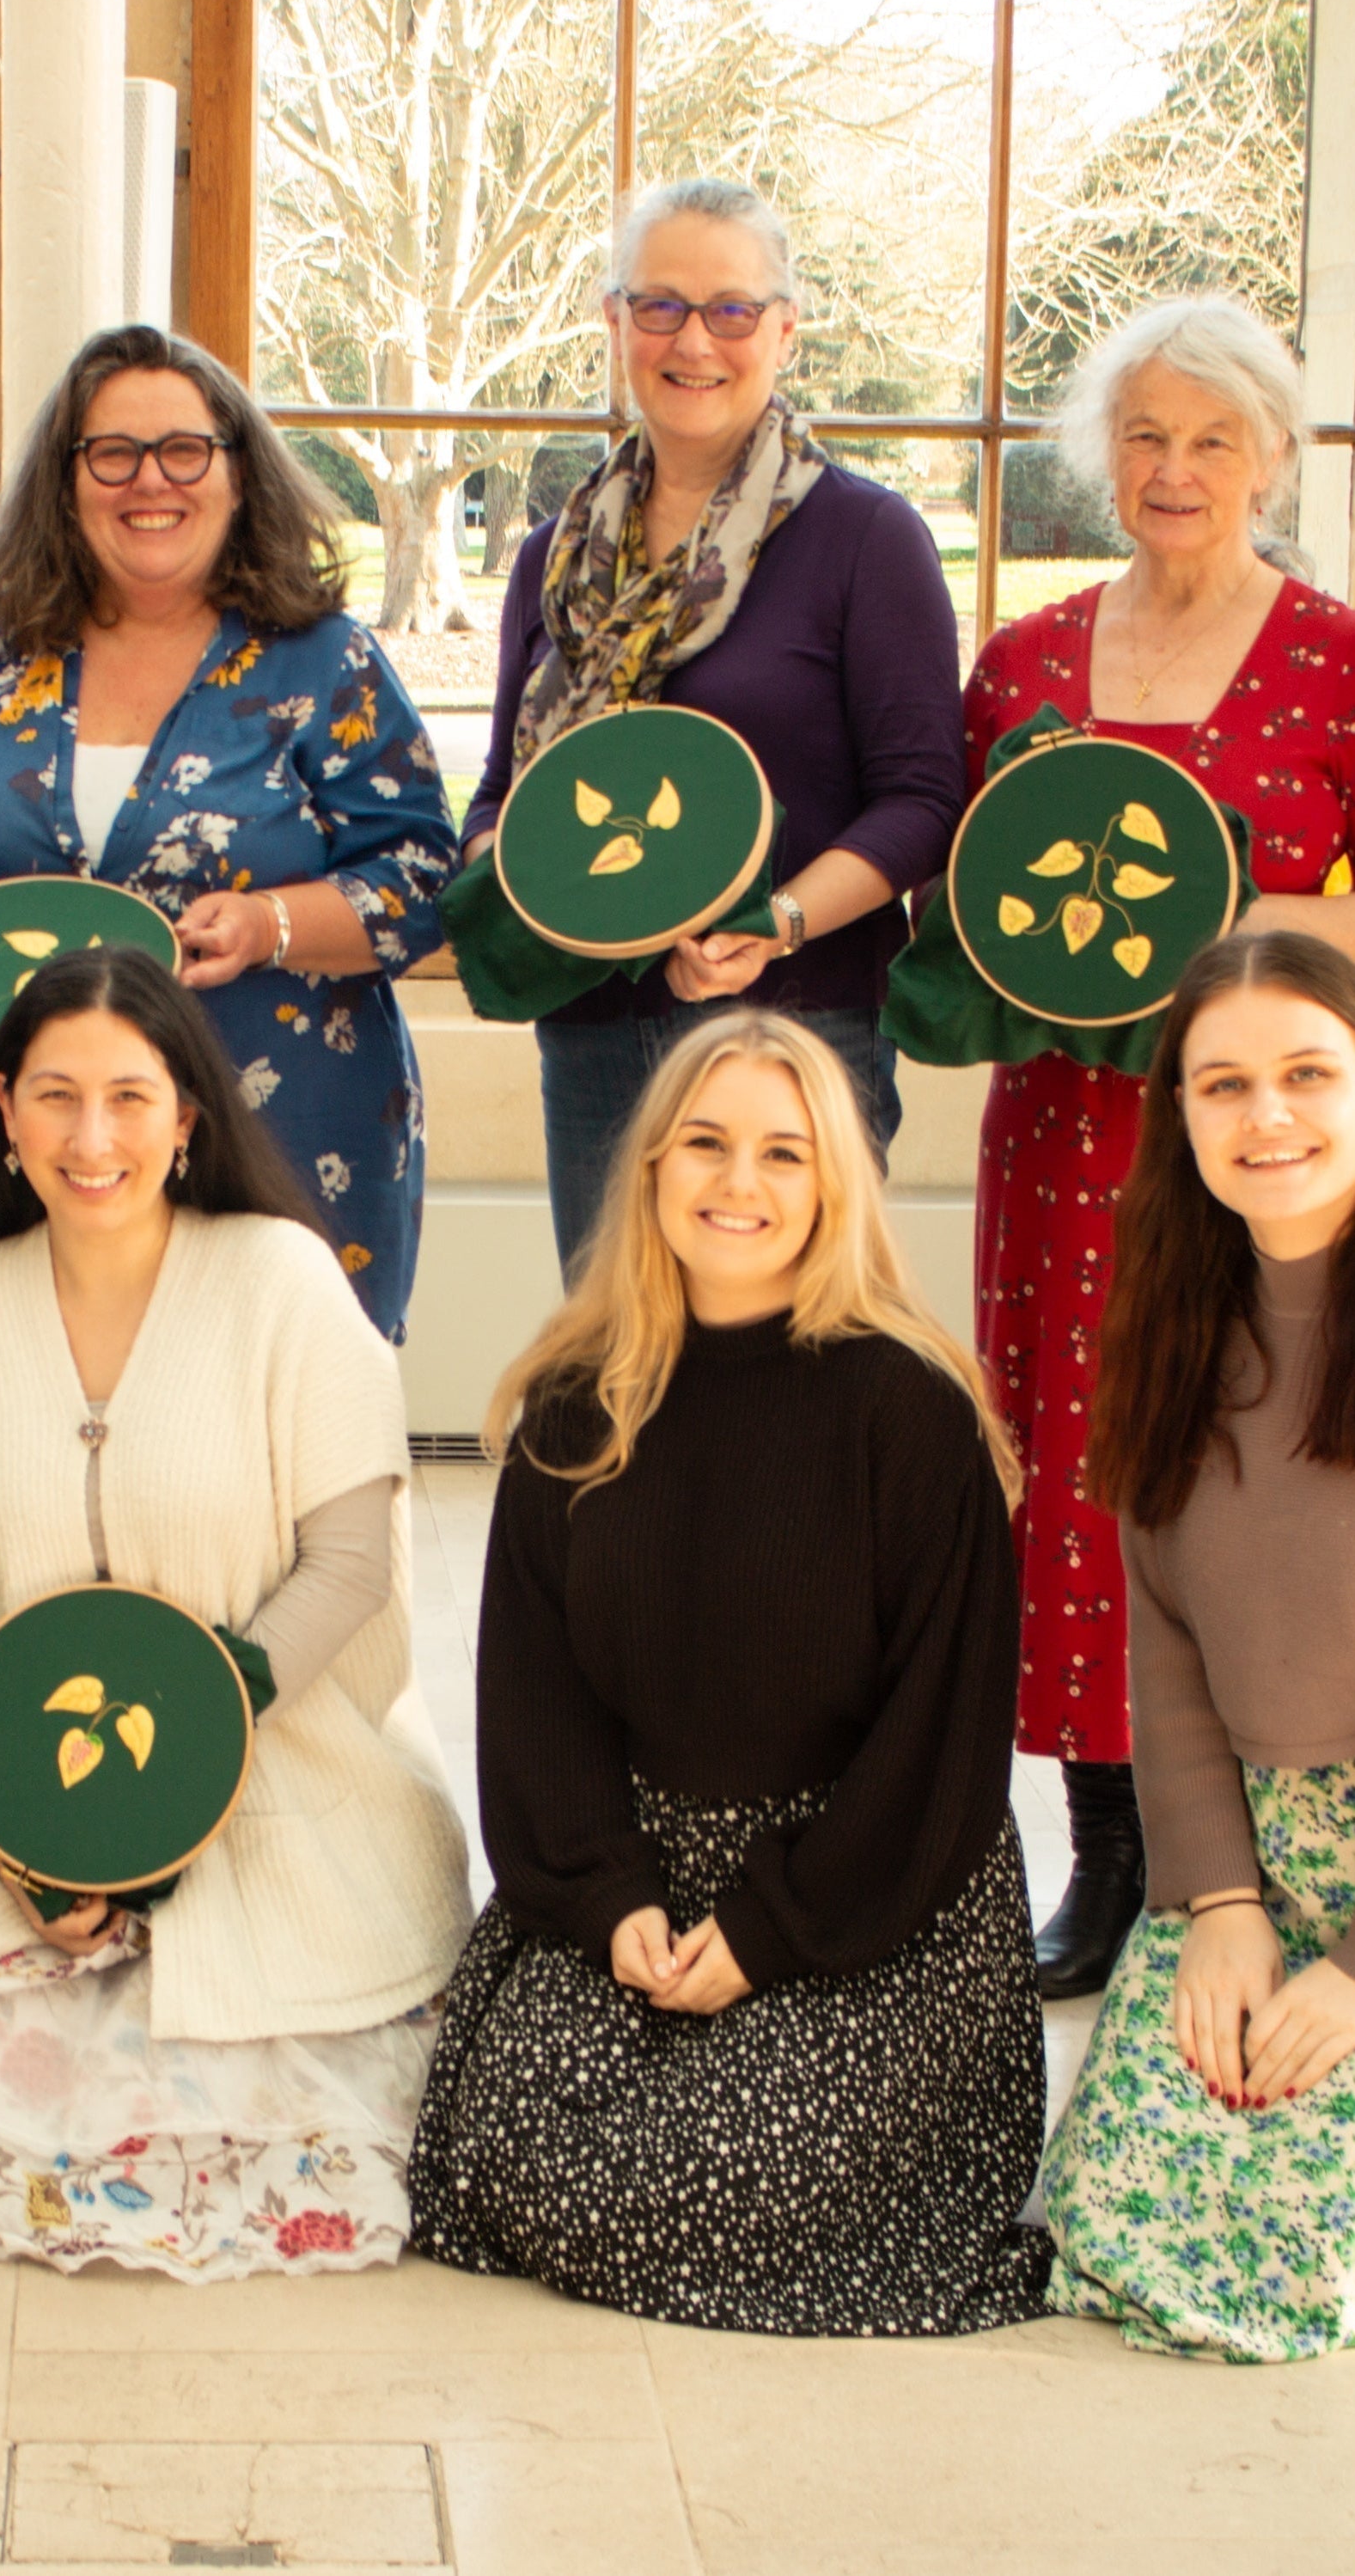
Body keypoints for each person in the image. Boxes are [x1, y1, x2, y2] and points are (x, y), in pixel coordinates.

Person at [0, 947, 472, 2279]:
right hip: (27, 1808)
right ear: (0, 1110)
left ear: (185, 1116)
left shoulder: (279, 1279)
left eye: (126, 1096)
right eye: (52, 1095)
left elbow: (346, 1563)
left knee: (325, 2120)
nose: (88, 1137)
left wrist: (171, 1772)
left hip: (277, 1784)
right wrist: (22, 1818)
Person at [407, 1011, 1052, 2335]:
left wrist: (769, 1930)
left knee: (731, 2169)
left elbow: (938, 1741)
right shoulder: (577, 1404)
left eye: (782, 1151)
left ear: (834, 1184)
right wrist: (606, 1898)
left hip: (870, 1887)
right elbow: (535, 1700)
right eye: (702, 1142)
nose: (737, 1183)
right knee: (507, 2132)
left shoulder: (909, 1410)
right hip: (638, 1871)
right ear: (646, 1167)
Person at [966, 297, 1355, 1997]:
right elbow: (966, 905)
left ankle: (1272, 1855)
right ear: (1096, 459)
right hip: (1059, 1144)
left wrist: (1235, 916)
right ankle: (1107, 1848)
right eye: (1143, 436)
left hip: (1266, 1149)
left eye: (1210, 437)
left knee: (1253, 1473)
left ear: (1270, 452)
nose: (1173, 469)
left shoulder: (1339, 661)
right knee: (1077, 1464)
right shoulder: (1024, 663)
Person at [0, 322, 456, 1343]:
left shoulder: (324, 659)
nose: (147, 481)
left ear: (240, 473)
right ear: (66, 482)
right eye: (110, 454)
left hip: (276, 1127)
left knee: (273, 1445)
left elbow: (423, 877)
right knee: (24, 1430)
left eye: (184, 450)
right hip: (22, 1136)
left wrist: (269, 925)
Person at [463, 178, 966, 1275]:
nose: (696, 340)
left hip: (798, 1031)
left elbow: (924, 803)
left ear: (785, 331)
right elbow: (505, 786)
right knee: (614, 1378)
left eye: (732, 310)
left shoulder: (866, 541)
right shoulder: (556, 553)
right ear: (615, 323)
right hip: (595, 1032)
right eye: (661, 307)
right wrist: (505, 866)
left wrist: (776, 923)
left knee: (793, 1387)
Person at [1041, 933, 1355, 2359]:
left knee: (1294, 2231)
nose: (1267, 1117)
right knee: (1126, 2201)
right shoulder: (1168, 1323)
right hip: (1266, 1860)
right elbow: (1162, 1652)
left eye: (1308, 1074)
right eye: (1222, 1086)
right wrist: (1220, 1906)